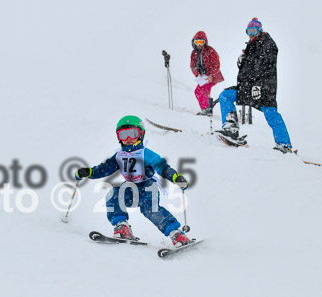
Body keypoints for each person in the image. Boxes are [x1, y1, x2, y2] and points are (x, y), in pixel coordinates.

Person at [75, 115, 191, 247]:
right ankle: (122, 227)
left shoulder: (145, 153)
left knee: (151, 210)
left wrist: (175, 177)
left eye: (132, 133)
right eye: (123, 135)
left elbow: (162, 167)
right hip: (130, 188)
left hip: (148, 187)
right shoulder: (119, 156)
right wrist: (88, 172)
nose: (128, 139)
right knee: (113, 194)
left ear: (141, 134)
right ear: (118, 138)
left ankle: (176, 234)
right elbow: (104, 169)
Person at [216, 18, 293, 153]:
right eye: (248, 31)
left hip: (263, 88)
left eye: (254, 30)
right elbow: (251, 67)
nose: (251, 33)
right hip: (248, 87)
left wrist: (258, 85)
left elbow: (265, 66)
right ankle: (231, 129)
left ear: (260, 30)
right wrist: (242, 61)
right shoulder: (252, 45)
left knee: (271, 113)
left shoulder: (267, 43)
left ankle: (284, 145)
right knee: (225, 96)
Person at [190, 31, 224, 115]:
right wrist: (197, 74)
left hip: (212, 76)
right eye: (197, 42)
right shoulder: (194, 53)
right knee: (200, 91)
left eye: (201, 42)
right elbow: (192, 66)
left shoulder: (210, 51)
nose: (199, 44)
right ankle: (206, 109)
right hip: (203, 76)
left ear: (205, 42)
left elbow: (216, 64)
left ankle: (206, 109)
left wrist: (212, 75)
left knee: (201, 91)